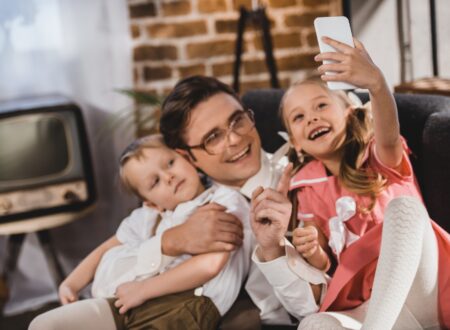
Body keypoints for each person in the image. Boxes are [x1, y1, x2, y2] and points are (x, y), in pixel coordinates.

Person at [255, 36, 450, 328]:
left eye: (321, 105)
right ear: (295, 143)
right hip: (368, 306)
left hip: (422, 290)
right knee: (314, 324)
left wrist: (377, 85)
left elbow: (388, 131)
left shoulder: (377, 156)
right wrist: (313, 252)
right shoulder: (304, 191)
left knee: (405, 209)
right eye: (299, 117)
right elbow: (326, 267)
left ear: (349, 112)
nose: (312, 118)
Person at [30, 134, 253, 329]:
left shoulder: (222, 199)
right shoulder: (149, 216)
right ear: (151, 202)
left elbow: (210, 264)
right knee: (44, 324)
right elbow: (110, 245)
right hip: (128, 301)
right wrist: (71, 283)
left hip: (188, 305)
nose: (169, 177)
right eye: (155, 182)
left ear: (184, 156)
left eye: (170, 163)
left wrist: (144, 289)